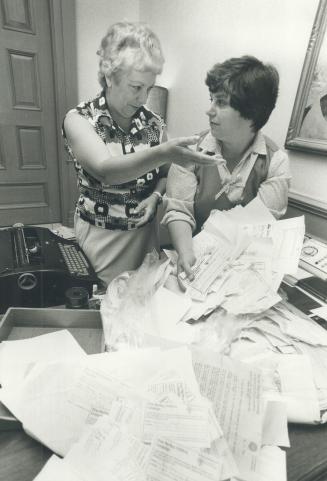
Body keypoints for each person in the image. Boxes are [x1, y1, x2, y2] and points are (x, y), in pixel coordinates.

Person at [62, 21, 215, 286]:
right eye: (136, 87)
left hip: (144, 240)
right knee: (101, 306)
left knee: (141, 305)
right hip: (100, 242)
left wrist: (156, 195)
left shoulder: (153, 124)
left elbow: (166, 173)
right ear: (110, 76)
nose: (143, 98)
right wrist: (163, 152)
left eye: (149, 88)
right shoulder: (80, 119)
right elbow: (106, 170)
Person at [162, 55, 291, 281]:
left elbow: (260, 229)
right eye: (211, 99)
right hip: (196, 264)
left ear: (251, 111)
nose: (209, 110)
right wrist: (185, 253)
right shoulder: (191, 150)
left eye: (220, 102)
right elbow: (179, 210)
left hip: (244, 269)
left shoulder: (276, 162)